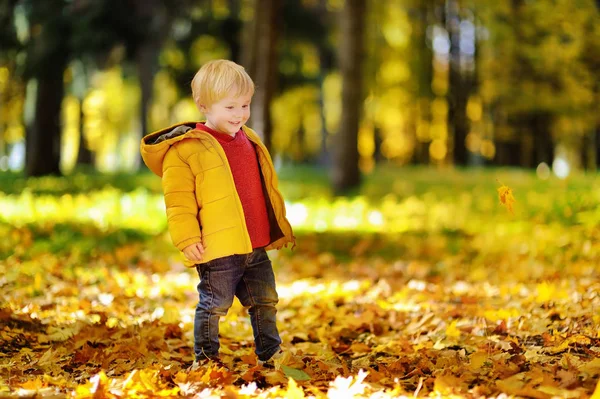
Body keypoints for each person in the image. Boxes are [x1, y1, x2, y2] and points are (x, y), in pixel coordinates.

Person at [140, 59, 295, 368]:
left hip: (254, 244)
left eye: (245, 105)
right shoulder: (185, 150)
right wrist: (186, 239)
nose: (239, 115)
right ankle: (206, 360)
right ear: (203, 105)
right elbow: (179, 201)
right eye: (230, 108)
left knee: (265, 301)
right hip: (217, 249)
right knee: (214, 305)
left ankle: (270, 354)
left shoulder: (249, 140)